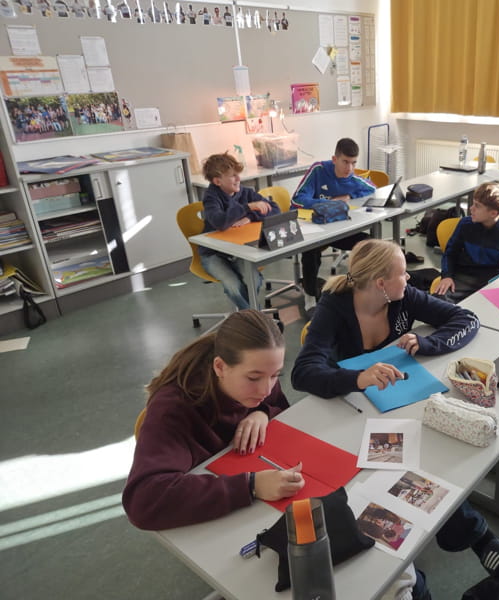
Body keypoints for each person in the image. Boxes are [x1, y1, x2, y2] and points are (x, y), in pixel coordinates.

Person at [291, 239, 499, 600]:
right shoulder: (333, 308)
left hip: (399, 404)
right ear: (380, 283)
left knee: (426, 459)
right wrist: (357, 378)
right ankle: (473, 540)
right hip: (352, 416)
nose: (410, 278)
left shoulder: (402, 298)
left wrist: (427, 343)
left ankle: (474, 537)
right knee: (406, 469)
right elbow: (303, 373)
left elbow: (466, 319)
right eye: (402, 273)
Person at [123, 310, 305, 531]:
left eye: (276, 375)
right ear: (219, 367)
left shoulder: (260, 370)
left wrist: (263, 413)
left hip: (243, 501)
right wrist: (250, 485)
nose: (266, 390)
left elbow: (281, 409)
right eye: (253, 378)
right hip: (205, 519)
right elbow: (143, 501)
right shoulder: (172, 408)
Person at [291, 137, 376, 314]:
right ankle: (309, 296)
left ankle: (356, 287)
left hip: (337, 230)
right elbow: (297, 200)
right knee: (310, 252)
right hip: (315, 228)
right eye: (345, 162)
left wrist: (350, 197)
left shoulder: (351, 177)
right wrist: (330, 203)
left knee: (369, 244)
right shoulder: (318, 170)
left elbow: (371, 188)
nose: (349, 168)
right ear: (334, 159)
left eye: (353, 163)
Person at [199, 152, 280, 310]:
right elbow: (220, 222)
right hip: (213, 253)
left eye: (238, 174)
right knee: (233, 285)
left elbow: (275, 210)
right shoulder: (211, 197)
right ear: (217, 181)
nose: (238, 179)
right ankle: (256, 317)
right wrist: (248, 207)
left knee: (254, 280)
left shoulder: (245, 192)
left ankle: (250, 316)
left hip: (239, 251)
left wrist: (250, 216)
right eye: (232, 176)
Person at [433, 182, 499, 302]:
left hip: (490, 280)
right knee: (438, 300)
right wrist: (447, 276)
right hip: (463, 276)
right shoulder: (465, 224)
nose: (471, 208)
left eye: (477, 206)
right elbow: (450, 253)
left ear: (493, 213)